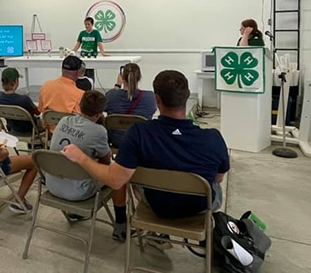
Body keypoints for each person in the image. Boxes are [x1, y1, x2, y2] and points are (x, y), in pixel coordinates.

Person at [62, 70, 230, 239]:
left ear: (157, 100)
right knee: (212, 183)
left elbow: (116, 180)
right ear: (187, 97)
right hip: (199, 206)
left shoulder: (139, 133)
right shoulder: (213, 138)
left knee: (129, 172)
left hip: (155, 204)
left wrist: (81, 157)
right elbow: (218, 179)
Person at [47, 91, 130, 234]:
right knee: (119, 177)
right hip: (78, 192)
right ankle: (120, 226)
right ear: (100, 113)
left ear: (79, 106)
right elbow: (105, 164)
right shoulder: (99, 131)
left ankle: (75, 213)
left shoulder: (63, 121)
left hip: (53, 184)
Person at [105, 63, 157, 148]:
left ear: (122, 78)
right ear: (139, 78)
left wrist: (117, 85)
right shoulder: (150, 98)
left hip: (116, 141)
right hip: (140, 142)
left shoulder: (110, 96)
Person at [38, 56, 85, 131]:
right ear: (77, 73)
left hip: (49, 132)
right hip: (69, 134)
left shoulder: (46, 86)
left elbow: (40, 109)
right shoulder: (80, 94)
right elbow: (80, 119)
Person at [0, 68, 41, 136]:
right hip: (29, 131)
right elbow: (38, 112)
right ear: (15, 82)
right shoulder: (24, 99)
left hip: (12, 129)